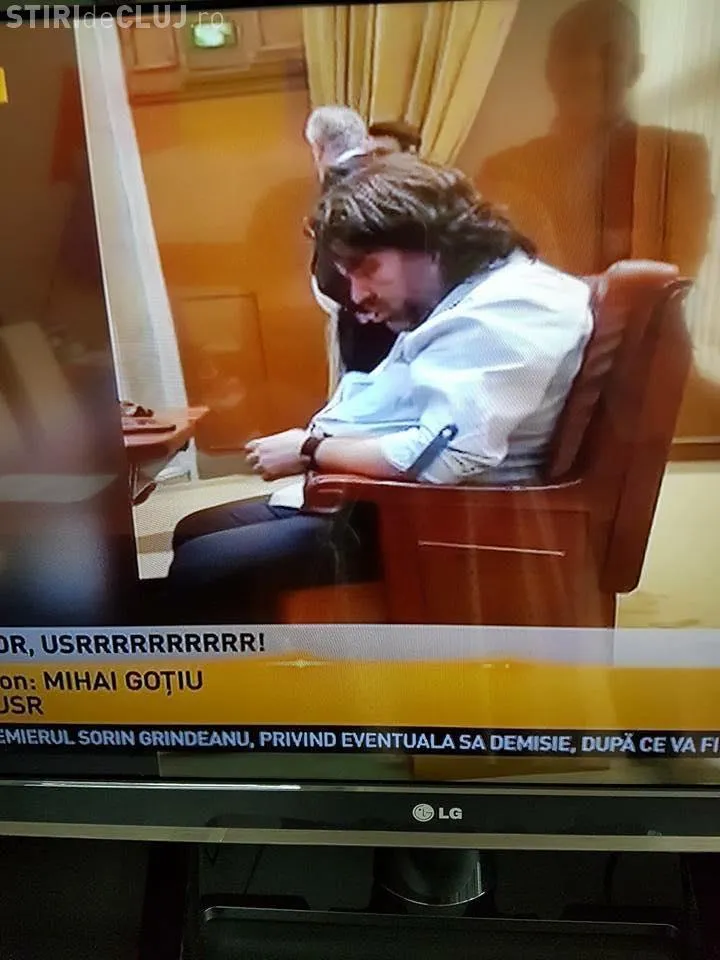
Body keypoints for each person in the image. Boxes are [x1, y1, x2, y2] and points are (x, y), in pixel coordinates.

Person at [167, 153, 593, 621]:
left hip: (438, 524)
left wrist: (311, 449)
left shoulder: (502, 313)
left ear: (428, 241)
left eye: (366, 267)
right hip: (392, 505)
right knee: (194, 529)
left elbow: (443, 458)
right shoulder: (471, 295)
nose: (357, 295)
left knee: (201, 567)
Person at [304, 106, 397, 385]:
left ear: (318, 149)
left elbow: (330, 281)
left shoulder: (338, 192)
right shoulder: (394, 176)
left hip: (371, 336)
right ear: (364, 138)